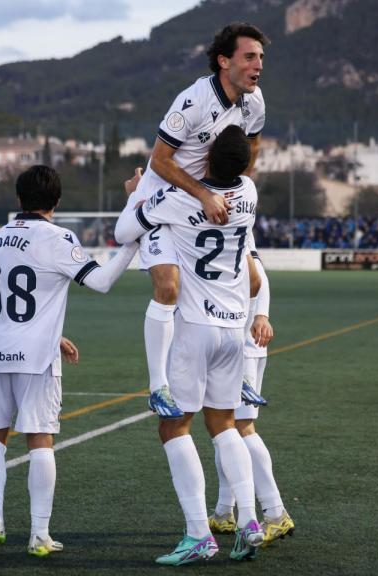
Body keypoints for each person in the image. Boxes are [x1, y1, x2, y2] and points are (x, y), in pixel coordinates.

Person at [0, 166, 139, 558]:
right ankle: (39, 534)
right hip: (35, 356)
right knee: (40, 440)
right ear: (57, 203)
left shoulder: (0, 237)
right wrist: (132, 245)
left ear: (18, 200)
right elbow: (101, 281)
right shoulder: (59, 238)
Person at [116, 125, 265, 564]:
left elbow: (127, 232)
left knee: (174, 426)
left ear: (205, 157)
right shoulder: (250, 192)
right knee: (224, 424)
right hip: (233, 329)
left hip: (195, 327)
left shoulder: (178, 199)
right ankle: (250, 521)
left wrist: (135, 195)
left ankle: (199, 534)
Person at [123, 22, 268, 419]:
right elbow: (160, 160)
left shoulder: (254, 104)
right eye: (249, 57)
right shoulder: (193, 101)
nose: (258, 65)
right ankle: (159, 387)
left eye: (260, 58)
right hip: (162, 204)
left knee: (253, 279)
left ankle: (235, 372)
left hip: (208, 207)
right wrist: (202, 193)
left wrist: (235, 196)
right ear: (224, 61)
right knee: (168, 287)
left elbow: (248, 153)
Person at [209, 248, 295, 545]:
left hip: (241, 344)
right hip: (237, 342)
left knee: (239, 429)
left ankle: (275, 513)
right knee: (224, 428)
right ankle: (223, 511)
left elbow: (257, 273)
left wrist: (261, 315)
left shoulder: (236, 224)